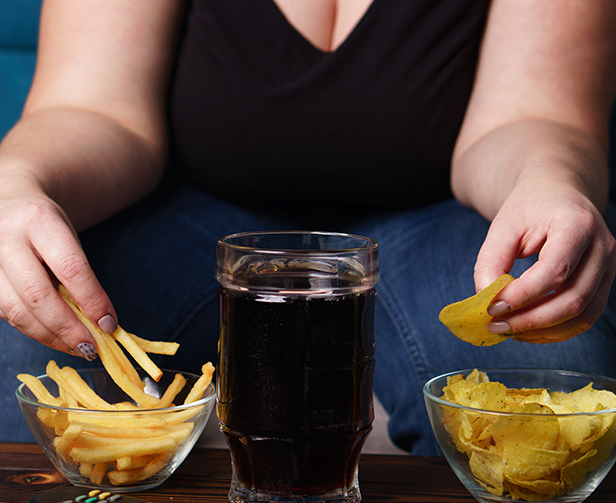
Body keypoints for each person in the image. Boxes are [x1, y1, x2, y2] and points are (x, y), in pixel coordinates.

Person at [1, 0, 615, 453]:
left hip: (429, 219)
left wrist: (551, 178)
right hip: (191, 219)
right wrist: (16, 178)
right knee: (23, 332)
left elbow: (532, 111)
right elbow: (92, 104)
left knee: (551, 394)